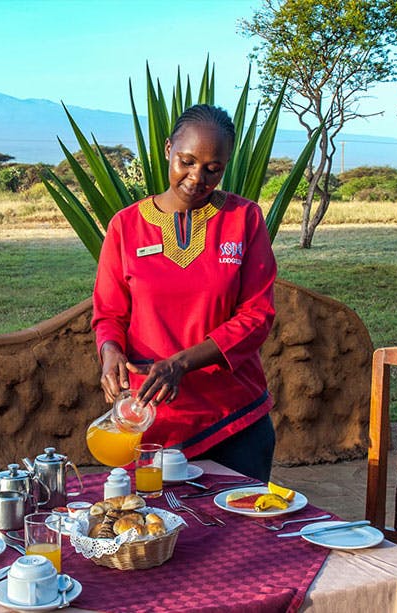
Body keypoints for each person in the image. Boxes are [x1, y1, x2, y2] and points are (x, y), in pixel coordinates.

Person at [91, 104, 278, 481]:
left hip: (234, 418)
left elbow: (257, 315)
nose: (197, 178)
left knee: (240, 536)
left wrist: (181, 364)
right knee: (151, 533)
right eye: (186, 162)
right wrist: (109, 350)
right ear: (167, 150)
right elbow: (109, 313)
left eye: (213, 169)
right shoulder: (125, 226)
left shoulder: (244, 219)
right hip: (149, 422)